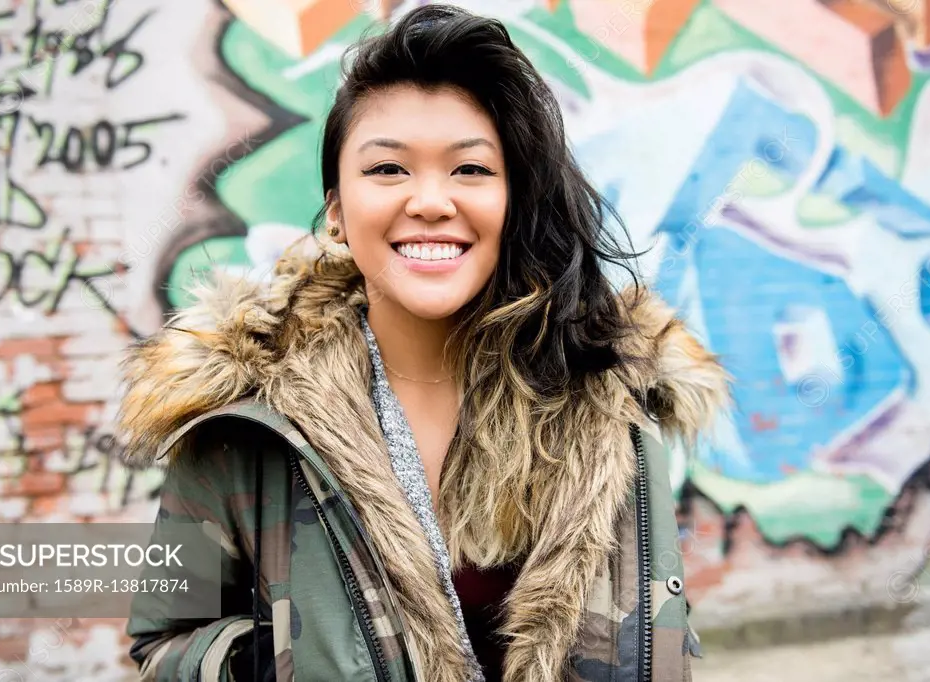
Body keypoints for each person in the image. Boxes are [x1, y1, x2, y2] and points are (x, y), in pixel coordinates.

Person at [117, 4, 730, 681]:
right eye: (388, 170)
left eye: (470, 170)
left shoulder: (608, 392)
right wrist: (286, 661)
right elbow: (167, 641)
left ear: (513, 199)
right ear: (337, 212)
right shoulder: (247, 419)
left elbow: (651, 637)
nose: (432, 201)